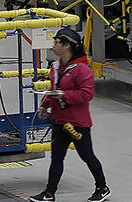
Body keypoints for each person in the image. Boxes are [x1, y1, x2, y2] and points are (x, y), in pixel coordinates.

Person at [29, 28, 110, 202]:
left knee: (87, 156)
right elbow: (54, 89)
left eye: (57, 42)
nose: (53, 46)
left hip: (76, 124)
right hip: (59, 122)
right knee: (56, 158)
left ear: (67, 46)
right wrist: (45, 105)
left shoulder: (82, 70)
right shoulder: (56, 67)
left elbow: (86, 94)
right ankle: (49, 193)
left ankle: (102, 187)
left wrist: (64, 96)